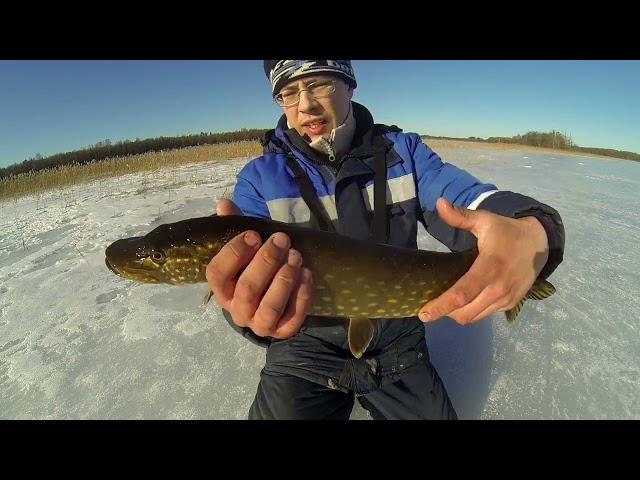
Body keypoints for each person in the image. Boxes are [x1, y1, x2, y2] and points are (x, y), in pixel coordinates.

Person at [205, 60, 565, 420]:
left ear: (349, 84)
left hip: (398, 343)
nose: (305, 105)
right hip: (304, 348)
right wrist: (246, 312)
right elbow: (242, 276)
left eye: (319, 85)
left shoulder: (403, 154)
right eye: (288, 93)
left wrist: (526, 226)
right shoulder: (259, 180)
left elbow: (466, 199)